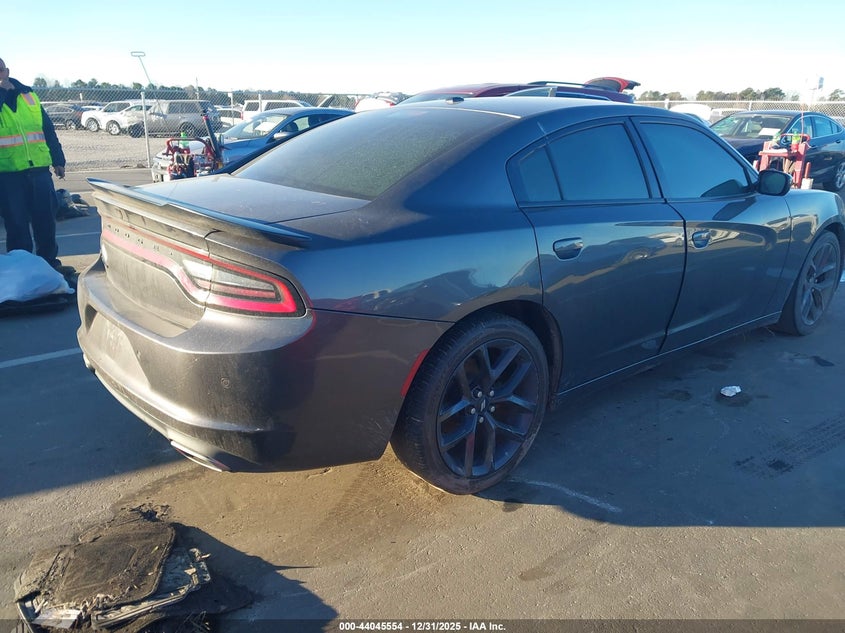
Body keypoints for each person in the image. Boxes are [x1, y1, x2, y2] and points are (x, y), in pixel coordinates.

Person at [0, 56, 71, 274]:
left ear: (7, 71)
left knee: (45, 221)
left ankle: (49, 266)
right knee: (17, 225)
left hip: (39, 171)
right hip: (9, 175)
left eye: (0, 70)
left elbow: (47, 129)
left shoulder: (29, 95)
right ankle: (23, 272)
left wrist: (58, 159)